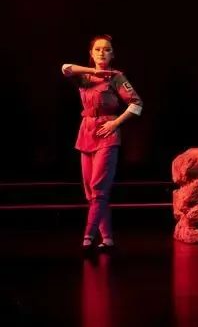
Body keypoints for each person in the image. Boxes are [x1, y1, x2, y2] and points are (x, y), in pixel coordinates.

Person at [62, 35, 143, 252]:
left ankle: (88, 237)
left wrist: (115, 123)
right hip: (86, 132)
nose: (101, 53)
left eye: (106, 49)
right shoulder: (85, 76)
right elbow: (65, 68)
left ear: (112, 54)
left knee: (99, 189)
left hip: (106, 133)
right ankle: (107, 238)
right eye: (97, 49)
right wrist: (93, 71)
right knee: (91, 193)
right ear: (91, 53)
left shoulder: (116, 76)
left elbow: (137, 105)